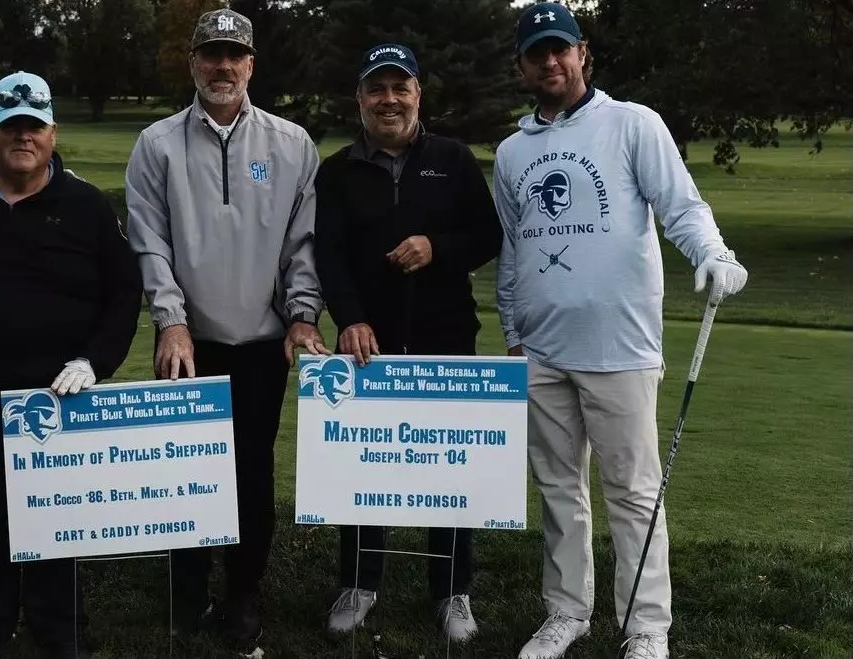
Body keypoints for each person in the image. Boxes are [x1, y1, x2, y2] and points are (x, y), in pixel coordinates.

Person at [493, 4, 749, 659]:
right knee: (557, 489)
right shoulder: (512, 151)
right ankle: (566, 612)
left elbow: (680, 206)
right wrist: (512, 330)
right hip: (540, 348)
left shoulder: (632, 124)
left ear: (581, 53)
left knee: (633, 493)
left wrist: (712, 256)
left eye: (559, 49)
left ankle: (644, 627)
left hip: (620, 347)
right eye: (535, 53)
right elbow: (514, 250)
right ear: (522, 65)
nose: (549, 62)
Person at [124, 7, 330, 656]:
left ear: (250, 65)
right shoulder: (156, 144)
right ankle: (188, 586)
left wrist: (302, 313)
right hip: (186, 341)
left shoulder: (290, 143)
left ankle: (243, 589)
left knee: (250, 474)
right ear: (192, 62)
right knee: (186, 472)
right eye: (209, 54)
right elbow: (149, 241)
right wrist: (171, 319)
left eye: (232, 55)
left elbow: (303, 243)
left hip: (261, 342)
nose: (221, 66)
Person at [0, 70, 142, 659]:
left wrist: (94, 361)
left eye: (35, 126)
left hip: (59, 396)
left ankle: (58, 627)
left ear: (52, 131)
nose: (23, 136)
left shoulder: (84, 203)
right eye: (11, 125)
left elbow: (124, 292)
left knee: (56, 519)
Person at [312, 43, 504, 644]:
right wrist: (348, 318)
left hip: (445, 335)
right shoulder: (338, 169)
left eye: (400, 88)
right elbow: (330, 256)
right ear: (361, 99)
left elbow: (486, 234)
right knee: (362, 466)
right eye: (377, 89)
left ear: (419, 93)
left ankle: (452, 591)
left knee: (449, 467)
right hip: (368, 340)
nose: (388, 100)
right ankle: (361, 582)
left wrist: (436, 247)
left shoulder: (452, 159)